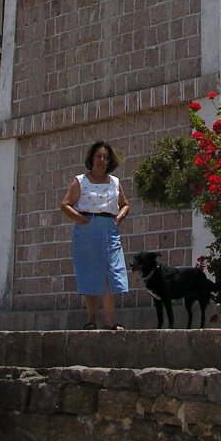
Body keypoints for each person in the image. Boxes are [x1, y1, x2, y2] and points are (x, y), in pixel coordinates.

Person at [61, 140, 130, 329]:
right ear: (91, 158)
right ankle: (92, 320)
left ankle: (110, 321)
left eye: (105, 157)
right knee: (90, 273)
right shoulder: (80, 181)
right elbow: (65, 204)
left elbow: (125, 204)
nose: (102, 160)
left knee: (110, 274)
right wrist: (80, 219)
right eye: (98, 156)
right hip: (87, 228)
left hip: (109, 228)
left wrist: (120, 217)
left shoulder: (115, 182)